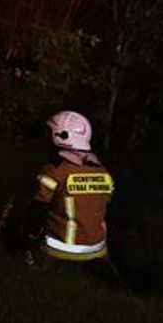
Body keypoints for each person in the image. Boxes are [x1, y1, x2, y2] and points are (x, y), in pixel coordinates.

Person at [29, 110, 114, 265]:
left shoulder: (55, 170)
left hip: (60, 248)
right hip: (98, 249)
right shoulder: (103, 171)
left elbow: (39, 205)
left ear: (60, 135)